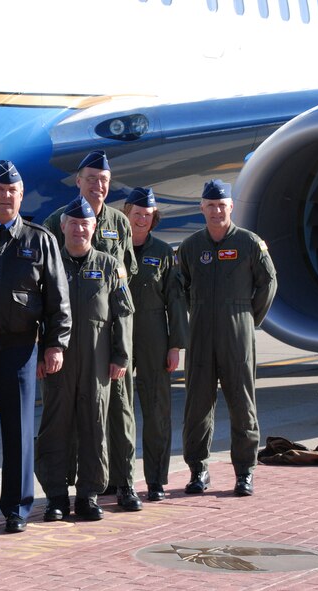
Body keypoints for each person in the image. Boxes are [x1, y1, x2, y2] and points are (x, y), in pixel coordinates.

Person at [42, 150, 142, 512]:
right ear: (78, 181)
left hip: (105, 345)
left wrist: (121, 352)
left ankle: (122, 483)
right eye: (91, 179)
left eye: (104, 180)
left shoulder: (119, 222)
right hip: (67, 347)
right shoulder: (57, 220)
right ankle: (60, 492)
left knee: (116, 417)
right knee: (63, 421)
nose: (98, 186)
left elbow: (126, 277)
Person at [0, 160, 71, 533]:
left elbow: (57, 299)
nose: (6, 197)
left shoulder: (39, 239)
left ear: (20, 195)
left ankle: (16, 508)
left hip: (20, 349)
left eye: (12, 191)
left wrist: (55, 344)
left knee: (18, 432)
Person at [178, 179, 277, 497]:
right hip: (201, 332)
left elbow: (268, 282)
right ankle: (198, 469)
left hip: (237, 332)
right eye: (210, 205)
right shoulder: (192, 247)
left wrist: (248, 318)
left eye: (222, 205)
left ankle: (245, 472)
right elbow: (180, 288)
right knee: (197, 405)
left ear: (231, 207)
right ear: (202, 208)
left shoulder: (249, 243)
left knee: (242, 403)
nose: (216, 210)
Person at [122, 187, 188, 502]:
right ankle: (117, 479)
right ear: (126, 214)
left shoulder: (163, 252)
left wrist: (175, 345)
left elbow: (175, 300)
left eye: (148, 216)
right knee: (115, 412)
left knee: (157, 409)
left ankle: (156, 480)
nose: (143, 220)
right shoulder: (112, 248)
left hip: (152, 332)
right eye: (138, 215)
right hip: (117, 331)